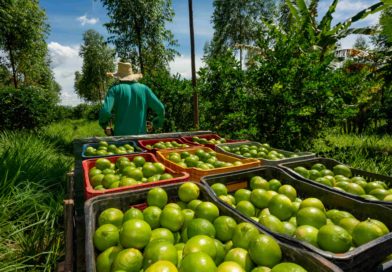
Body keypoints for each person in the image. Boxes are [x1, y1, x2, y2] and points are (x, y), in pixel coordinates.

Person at [99, 62, 165, 136]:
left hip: (121, 138)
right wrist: (156, 123)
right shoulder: (145, 89)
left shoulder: (114, 90)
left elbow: (105, 111)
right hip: (141, 137)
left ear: (118, 77)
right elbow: (161, 108)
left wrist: (105, 125)